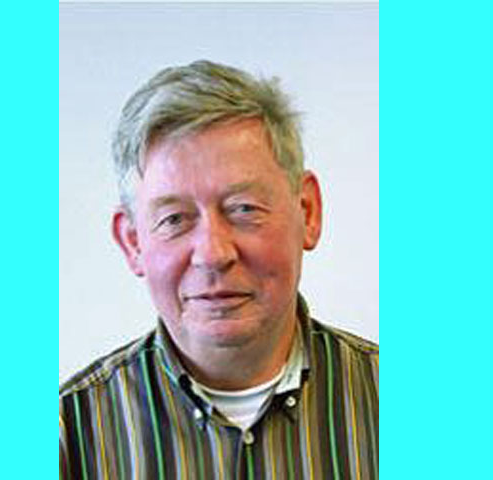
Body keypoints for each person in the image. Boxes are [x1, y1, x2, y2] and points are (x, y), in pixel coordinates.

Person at [60, 60, 378, 480]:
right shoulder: (67, 437)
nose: (212, 254)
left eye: (244, 209)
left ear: (308, 211)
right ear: (133, 242)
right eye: (174, 219)